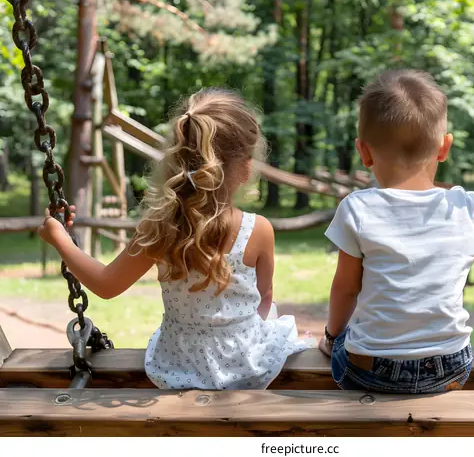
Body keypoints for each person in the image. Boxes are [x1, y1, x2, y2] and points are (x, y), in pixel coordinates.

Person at [38, 88, 307, 390]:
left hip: (177, 364)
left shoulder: (160, 229)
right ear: (245, 168)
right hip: (246, 362)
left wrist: (58, 237)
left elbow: (105, 284)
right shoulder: (258, 229)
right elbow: (264, 297)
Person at [319, 69, 474, 393]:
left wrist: (332, 338)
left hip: (372, 369)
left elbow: (345, 289)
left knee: (342, 343)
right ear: (444, 148)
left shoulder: (356, 208)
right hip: (449, 368)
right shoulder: (467, 208)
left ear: (364, 152)